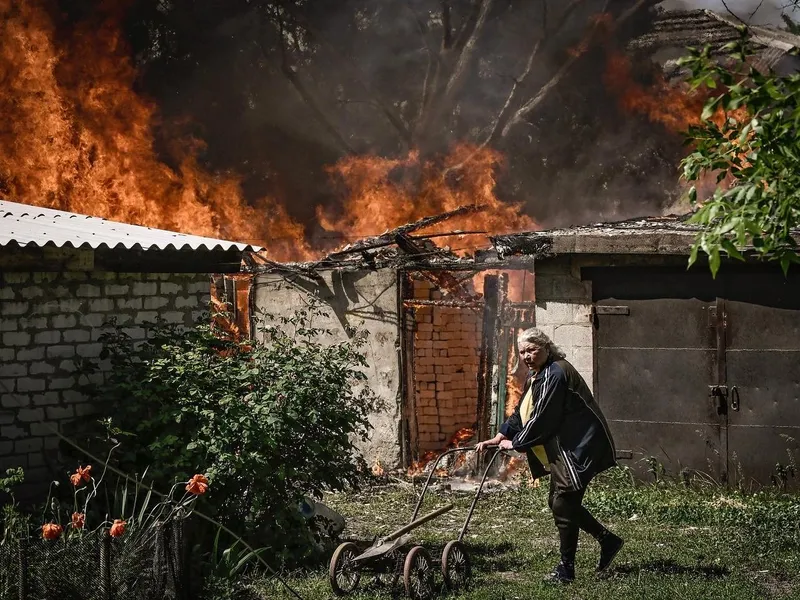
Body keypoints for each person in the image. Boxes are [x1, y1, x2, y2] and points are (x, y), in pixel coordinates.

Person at [475, 327, 623, 583]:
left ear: (546, 347)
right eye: (522, 352)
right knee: (560, 502)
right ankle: (607, 541)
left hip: (580, 444)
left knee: (563, 502)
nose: (526, 356)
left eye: (531, 350)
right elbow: (524, 409)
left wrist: (516, 443)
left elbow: (543, 418)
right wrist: (501, 434)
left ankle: (567, 569)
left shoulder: (556, 373)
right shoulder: (538, 374)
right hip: (566, 446)